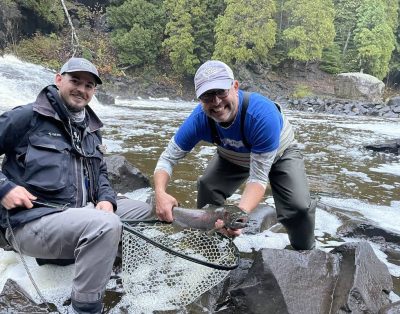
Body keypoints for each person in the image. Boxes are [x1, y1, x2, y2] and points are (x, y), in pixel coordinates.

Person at [0, 57, 152, 314]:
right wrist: (3, 189)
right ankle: (85, 308)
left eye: (89, 85)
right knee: (106, 224)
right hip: (31, 223)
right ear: (59, 79)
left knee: (149, 211)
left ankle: (122, 272)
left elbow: (101, 173)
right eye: (75, 81)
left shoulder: (91, 130)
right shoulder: (27, 117)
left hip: (81, 214)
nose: (81, 89)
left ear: (94, 91)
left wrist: (106, 199)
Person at [154, 60, 315, 250]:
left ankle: (304, 252)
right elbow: (167, 158)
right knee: (208, 186)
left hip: (280, 153)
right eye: (207, 96)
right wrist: (160, 193)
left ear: (235, 87)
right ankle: (209, 245)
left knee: (298, 208)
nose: (216, 102)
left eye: (221, 92)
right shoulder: (199, 120)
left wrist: (238, 216)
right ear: (199, 100)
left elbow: (258, 179)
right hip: (233, 154)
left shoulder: (262, 116)